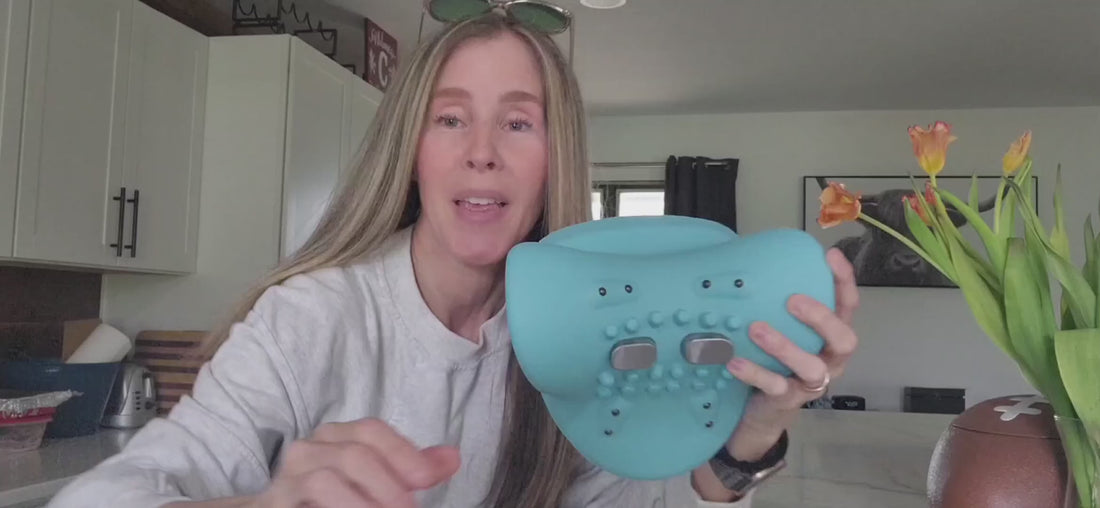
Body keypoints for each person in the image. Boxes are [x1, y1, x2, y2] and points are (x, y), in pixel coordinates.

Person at [48, 9, 859, 508]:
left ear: (555, 160)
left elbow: (659, 498)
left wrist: (756, 430)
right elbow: (103, 496)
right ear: (412, 152)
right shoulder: (311, 318)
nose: (481, 152)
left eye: (518, 122)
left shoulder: (594, 333)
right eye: (449, 119)